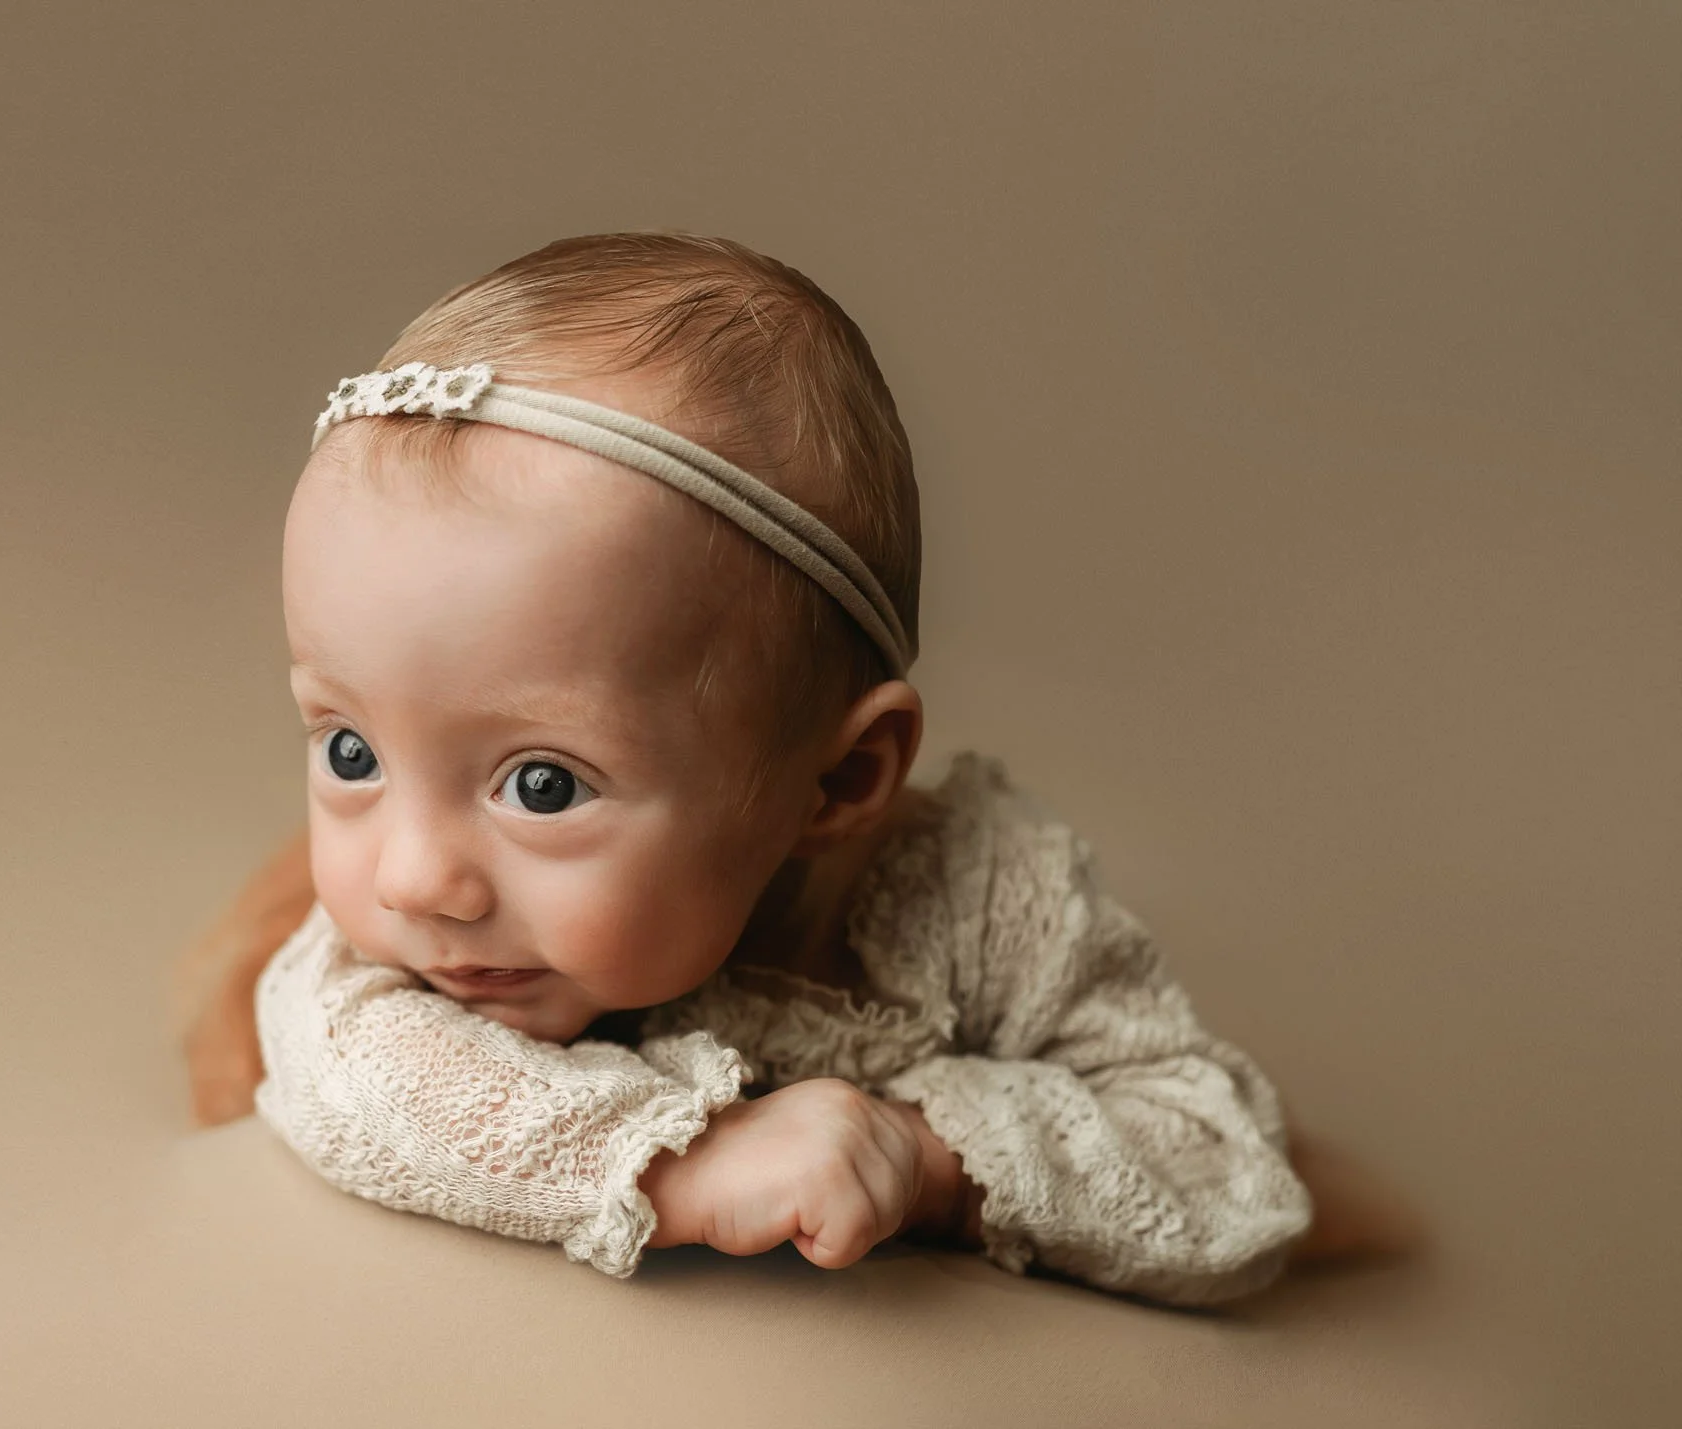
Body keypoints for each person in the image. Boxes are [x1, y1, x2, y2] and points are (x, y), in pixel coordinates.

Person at [174, 233, 1422, 1304]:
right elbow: (336, 1066)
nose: (412, 877)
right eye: (350, 751)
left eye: (541, 784)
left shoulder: (976, 896)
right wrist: (683, 1169)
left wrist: (924, 1155)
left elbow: (1223, 1168)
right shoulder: (407, 952)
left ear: (835, 784)